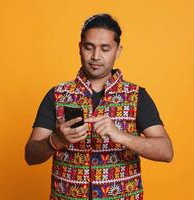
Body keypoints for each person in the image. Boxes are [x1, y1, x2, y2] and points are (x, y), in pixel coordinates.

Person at [25, 13, 173, 200]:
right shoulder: (56, 95)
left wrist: (121, 136)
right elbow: (30, 156)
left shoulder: (137, 96)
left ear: (118, 51)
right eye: (89, 48)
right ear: (80, 48)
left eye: (105, 49)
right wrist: (56, 140)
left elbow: (166, 151)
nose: (95, 56)